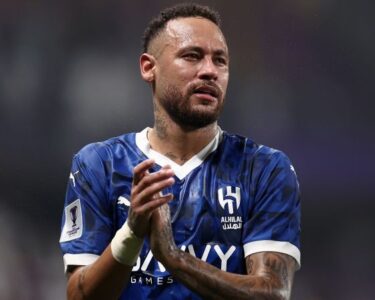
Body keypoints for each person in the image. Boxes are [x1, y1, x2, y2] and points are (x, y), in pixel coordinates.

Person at [59, 3, 301, 300]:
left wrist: (173, 257)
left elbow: (273, 293)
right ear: (149, 68)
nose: (210, 71)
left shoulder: (264, 169)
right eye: (192, 56)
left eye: (220, 61)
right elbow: (78, 296)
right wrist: (132, 233)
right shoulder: (98, 165)